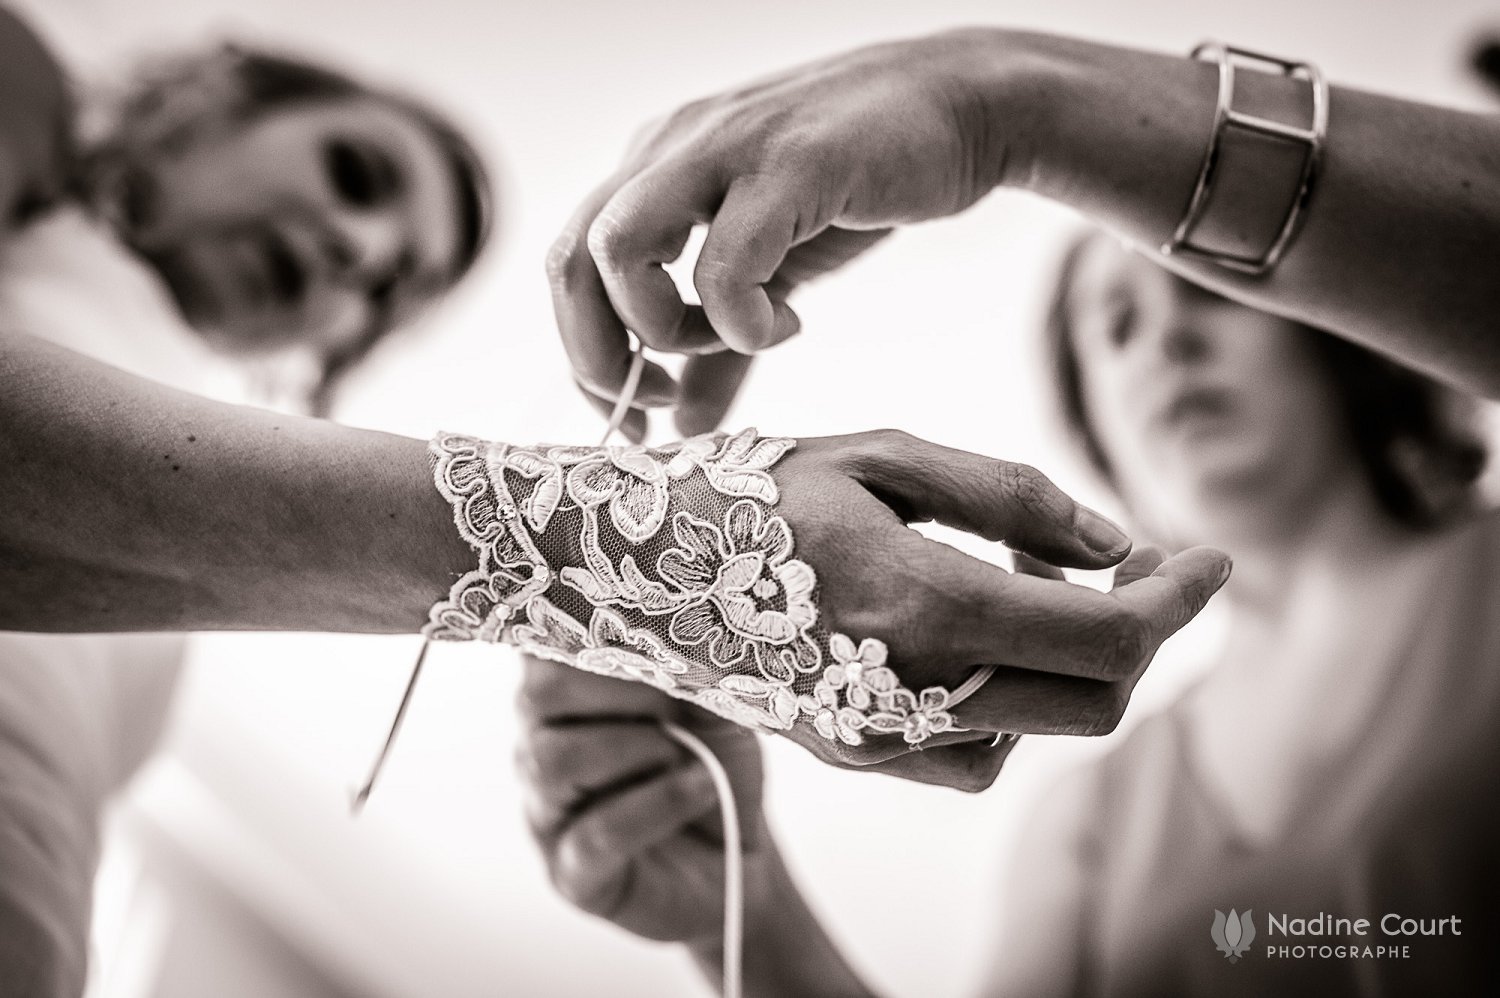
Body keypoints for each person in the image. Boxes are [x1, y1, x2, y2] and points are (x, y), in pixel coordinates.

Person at [518, 24, 1500, 998]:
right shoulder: (1098, 808)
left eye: (1208, 296)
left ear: (1341, 316)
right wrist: (746, 908)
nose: (1165, 348)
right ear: (1100, 431)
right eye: (1117, 328)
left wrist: (998, 103)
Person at [0, 8, 495, 995]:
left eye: (390, 292)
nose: (357, 253)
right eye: (357, 174)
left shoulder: (183, 616)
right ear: (214, 104)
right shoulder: (19, 96)